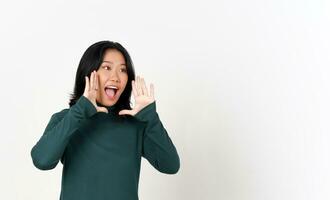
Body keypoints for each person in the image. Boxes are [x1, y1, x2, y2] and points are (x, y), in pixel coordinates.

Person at [30, 40, 180, 200]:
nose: (115, 77)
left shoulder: (135, 124)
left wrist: (150, 118)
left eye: (123, 70)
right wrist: (79, 111)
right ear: (89, 72)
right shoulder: (66, 119)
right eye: (107, 67)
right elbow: (42, 161)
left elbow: (170, 166)